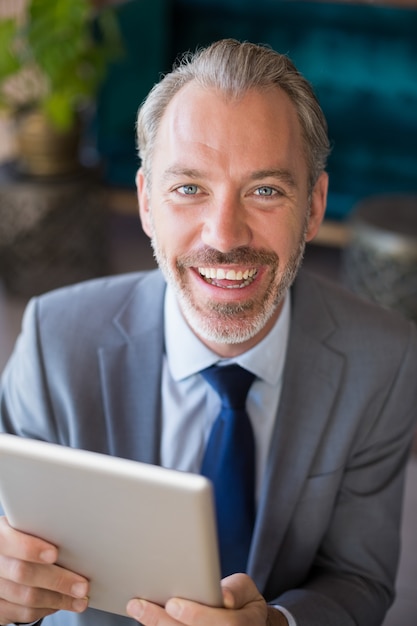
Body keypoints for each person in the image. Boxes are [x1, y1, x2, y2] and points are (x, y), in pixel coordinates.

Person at [0, 38, 416, 626]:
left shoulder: (386, 358)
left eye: (265, 190)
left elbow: (359, 578)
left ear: (316, 207)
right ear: (147, 203)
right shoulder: (53, 339)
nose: (224, 235)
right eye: (189, 188)